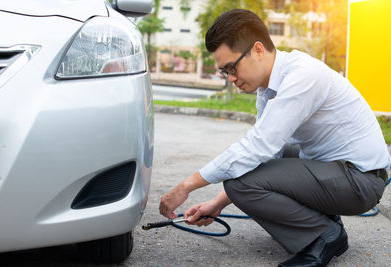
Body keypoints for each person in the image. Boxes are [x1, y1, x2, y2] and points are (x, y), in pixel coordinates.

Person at [159, 9, 390, 267]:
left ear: (258, 50)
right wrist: (217, 203)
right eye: (225, 72)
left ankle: (323, 235)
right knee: (252, 171)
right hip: (340, 172)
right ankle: (326, 224)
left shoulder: (303, 75)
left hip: (360, 180)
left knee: (239, 182)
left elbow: (257, 147)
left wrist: (186, 186)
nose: (231, 78)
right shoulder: (268, 88)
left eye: (231, 68)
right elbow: (265, 154)